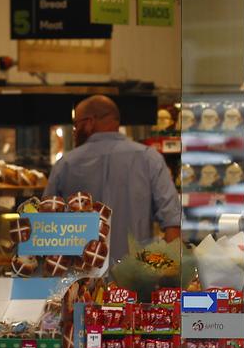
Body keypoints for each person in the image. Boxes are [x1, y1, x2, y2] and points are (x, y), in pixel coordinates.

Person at [44, 95, 181, 261]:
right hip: (135, 281)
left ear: (89, 122)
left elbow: (47, 226)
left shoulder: (65, 164)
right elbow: (173, 224)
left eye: (76, 125)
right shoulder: (149, 159)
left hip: (81, 282)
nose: (74, 132)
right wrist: (165, 272)